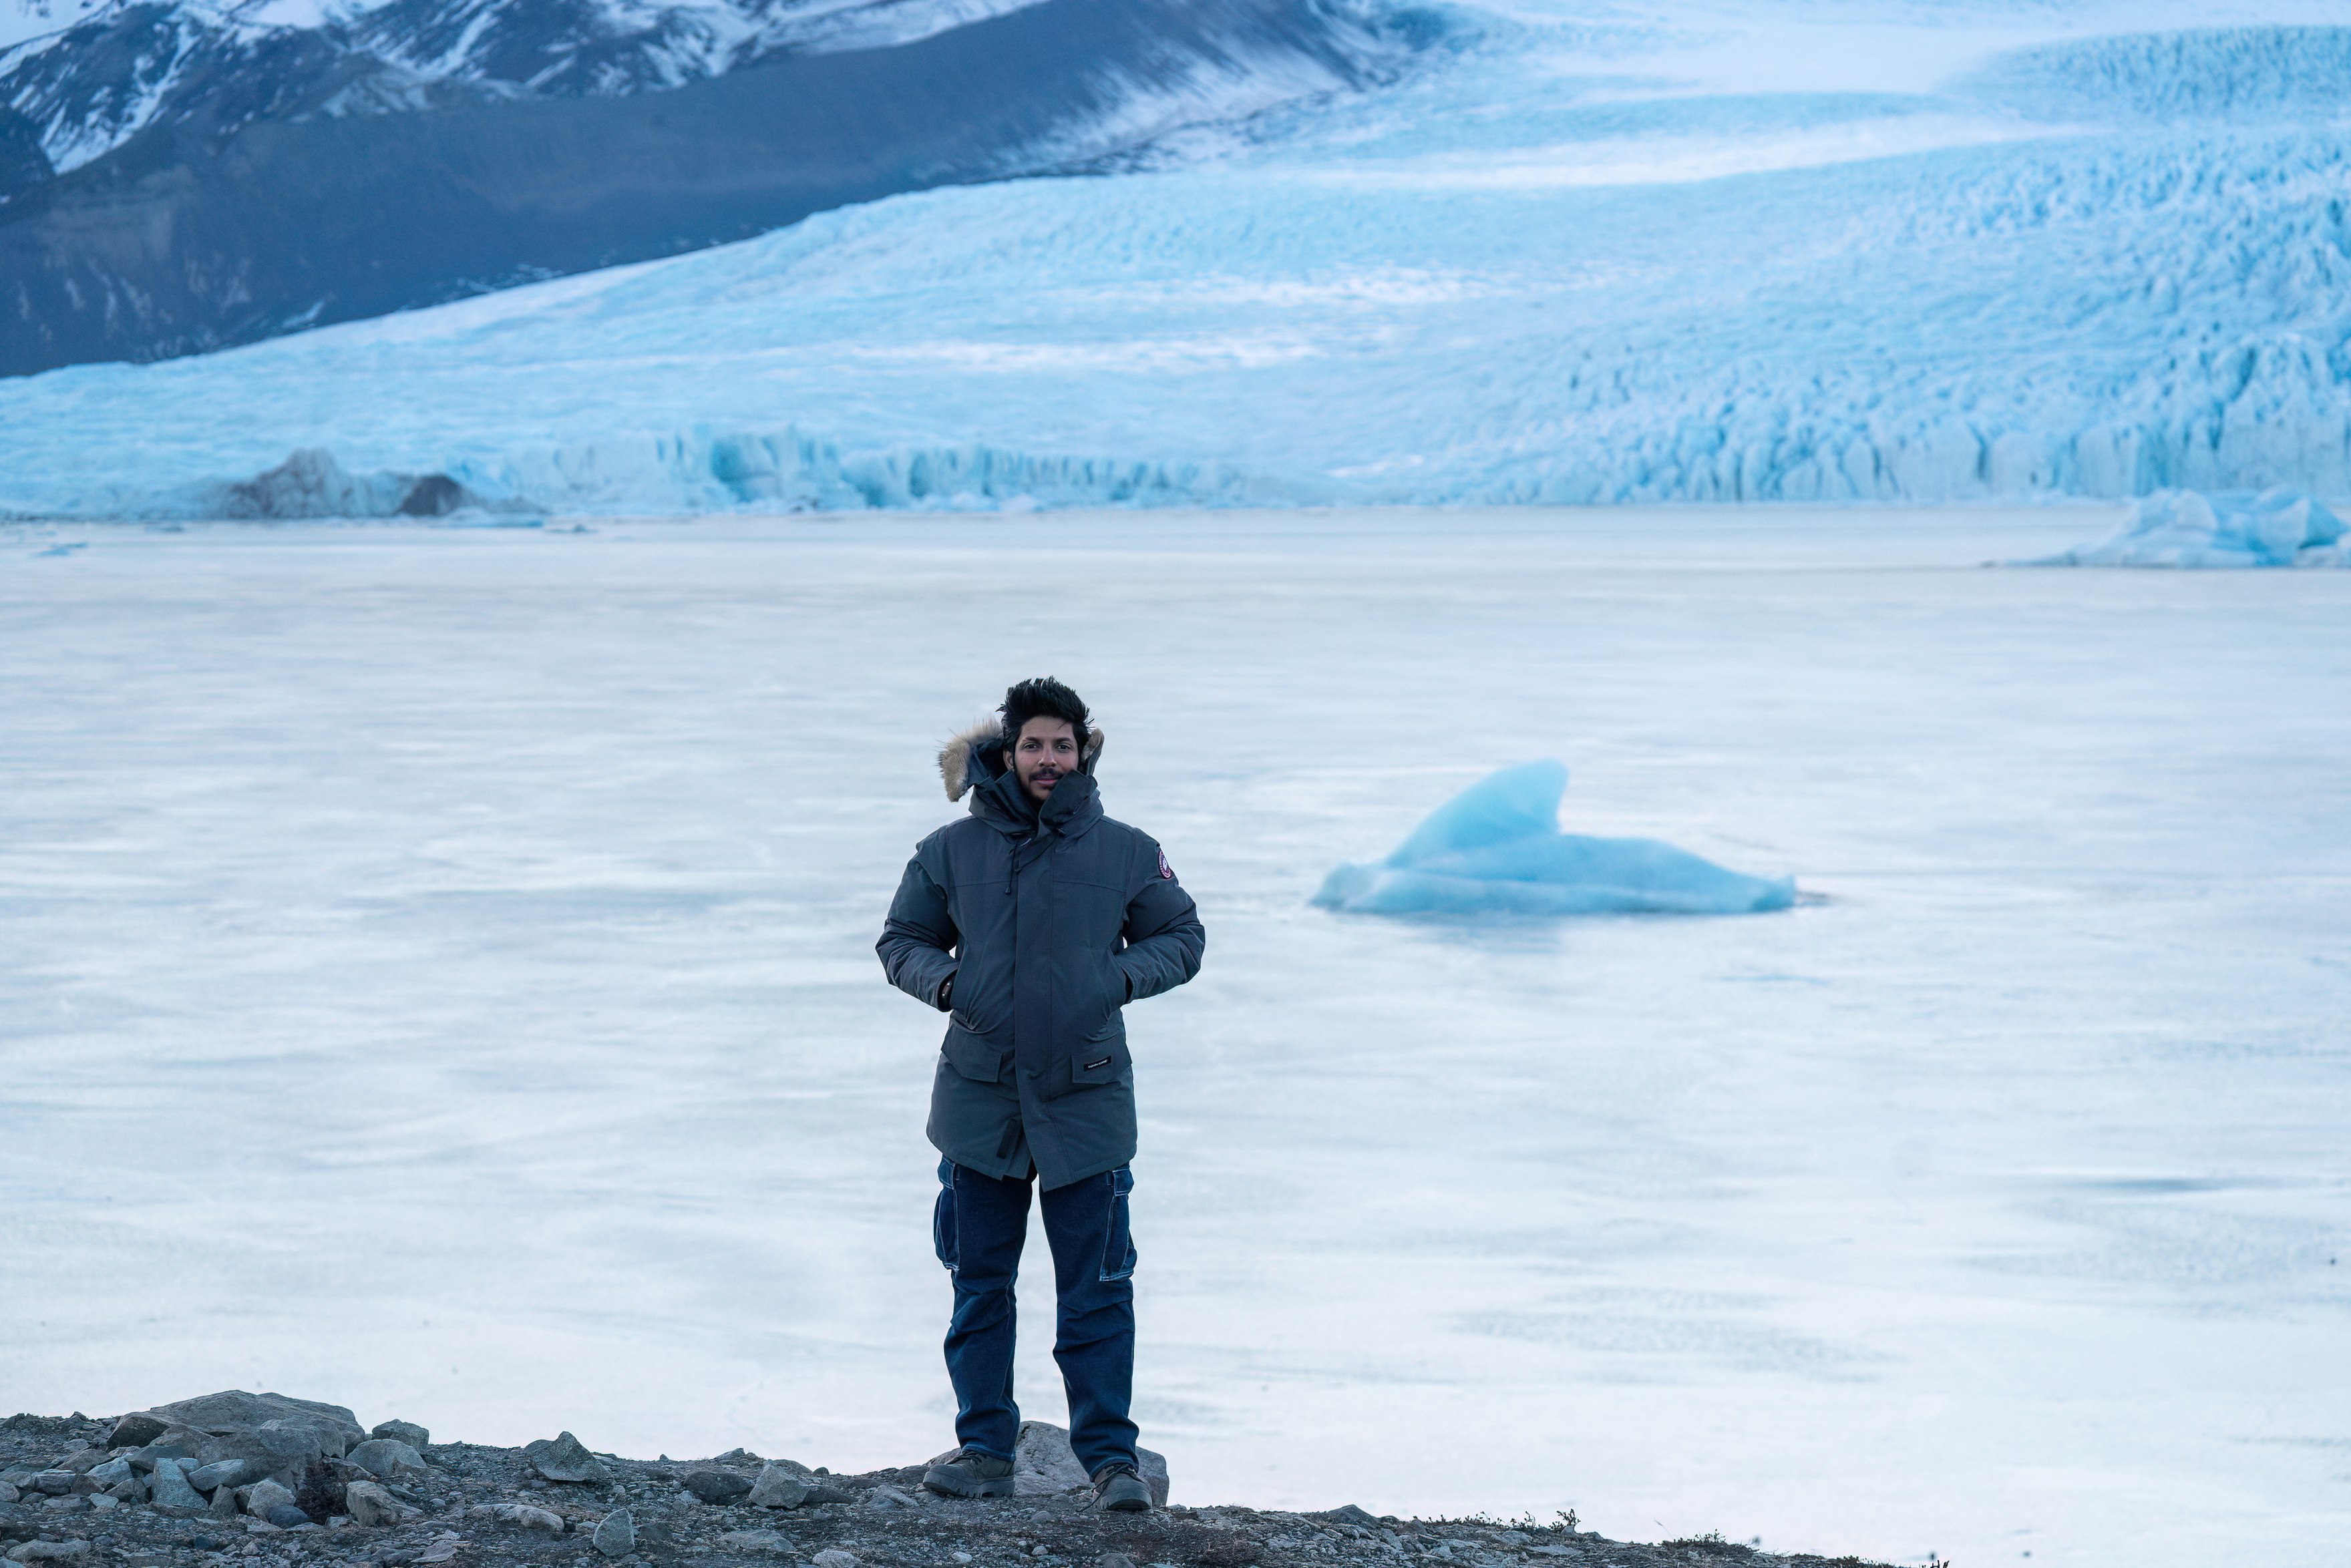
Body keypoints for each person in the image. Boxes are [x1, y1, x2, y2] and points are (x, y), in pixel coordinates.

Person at [877, 677, 1205, 1514]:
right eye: (1033, 745)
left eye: (1062, 745)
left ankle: (1110, 1461)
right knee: (979, 1283)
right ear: (1007, 751)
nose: (1048, 759)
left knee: (1096, 1290)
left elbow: (1182, 934)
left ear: (1083, 751)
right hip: (980, 1104)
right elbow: (901, 938)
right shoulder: (949, 849)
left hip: (1085, 1103)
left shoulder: (1127, 850)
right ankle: (985, 1446)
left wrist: (1116, 978)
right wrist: (948, 987)